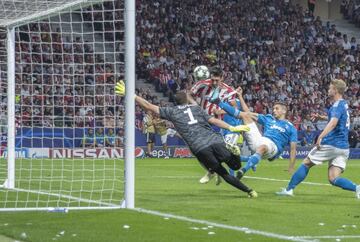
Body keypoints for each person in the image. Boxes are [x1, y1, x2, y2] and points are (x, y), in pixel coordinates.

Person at [115, 81, 258, 198]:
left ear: (175, 102)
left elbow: (147, 105)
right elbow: (214, 121)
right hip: (215, 140)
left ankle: (250, 191)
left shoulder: (172, 111)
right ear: (187, 100)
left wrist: (131, 94)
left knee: (224, 173)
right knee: (235, 166)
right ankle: (235, 153)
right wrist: (232, 128)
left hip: (200, 148)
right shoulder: (196, 109)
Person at [277, 79, 360, 198]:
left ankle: (289, 190)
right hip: (343, 148)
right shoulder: (343, 104)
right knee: (333, 178)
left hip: (331, 144)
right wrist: (321, 117)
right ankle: (357, 188)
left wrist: (320, 136)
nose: (328, 90)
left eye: (330, 88)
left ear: (335, 90)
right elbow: (337, 119)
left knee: (306, 163)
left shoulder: (337, 105)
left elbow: (333, 123)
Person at [210, 88, 298, 179]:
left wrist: (291, 167)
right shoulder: (269, 118)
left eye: (277, 109)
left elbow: (293, 149)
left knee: (263, 146)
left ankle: (243, 170)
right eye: (273, 109)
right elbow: (248, 113)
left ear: (284, 111)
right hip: (260, 140)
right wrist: (240, 96)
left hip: (273, 146)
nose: (274, 110)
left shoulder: (291, 127)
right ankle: (217, 101)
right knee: (245, 115)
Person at [191, 66, 237, 184]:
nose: (214, 82)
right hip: (201, 120)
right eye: (213, 80)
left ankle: (212, 171)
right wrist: (194, 105)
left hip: (216, 122)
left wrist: (221, 111)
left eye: (217, 80)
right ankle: (214, 171)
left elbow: (234, 108)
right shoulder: (202, 84)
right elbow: (189, 94)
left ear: (222, 78)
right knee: (197, 150)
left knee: (211, 149)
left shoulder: (228, 90)